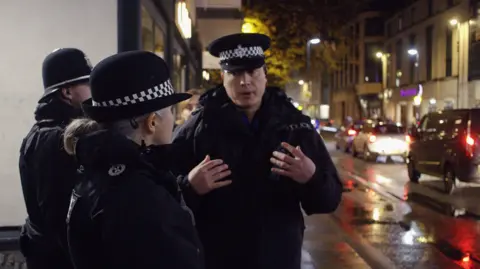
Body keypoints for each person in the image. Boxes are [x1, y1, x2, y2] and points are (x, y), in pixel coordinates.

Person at [172, 33, 343, 269]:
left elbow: (329, 201)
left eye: (252, 72)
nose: (245, 82)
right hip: (218, 260)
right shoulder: (198, 128)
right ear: (223, 77)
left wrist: (311, 177)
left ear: (265, 75)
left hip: (279, 258)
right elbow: (163, 199)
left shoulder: (295, 127)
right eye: (235, 73)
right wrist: (190, 187)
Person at [63, 51, 204, 269]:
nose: (172, 120)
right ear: (152, 122)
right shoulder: (143, 197)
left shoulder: (95, 171)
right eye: (168, 110)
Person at [18, 48, 92, 269]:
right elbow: (60, 219)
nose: (93, 92)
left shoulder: (43, 134)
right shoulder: (58, 141)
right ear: (67, 92)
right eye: (87, 84)